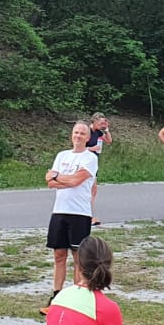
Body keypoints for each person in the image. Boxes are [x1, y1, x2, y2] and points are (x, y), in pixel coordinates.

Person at [44, 121, 99, 313]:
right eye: (76, 132)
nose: (78, 136)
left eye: (82, 133)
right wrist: (59, 178)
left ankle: (77, 296)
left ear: (88, 137)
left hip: (80, 213)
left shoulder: (90, 158)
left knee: (78, 257)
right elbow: (49, 182)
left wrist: (58, 177)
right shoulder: (62, 155)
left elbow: (77, 180)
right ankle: (56, 296)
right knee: (59, 255)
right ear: (71, 134)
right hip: (60, 210)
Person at [87, 113, 113, 225]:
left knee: (93, 190)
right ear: (94, 121)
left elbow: (109, 141)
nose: (103, 125)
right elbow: (78, 147)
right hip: (85, 163)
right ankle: (87, 217)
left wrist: (106, 130)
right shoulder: (86, 131)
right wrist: (91, 148)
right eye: (101, 123)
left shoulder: (98, 132)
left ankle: (89, 216)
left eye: (104, 123)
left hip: (94, 162)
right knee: (88, 190)